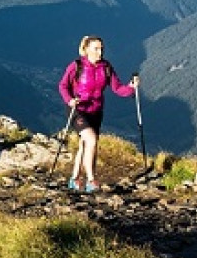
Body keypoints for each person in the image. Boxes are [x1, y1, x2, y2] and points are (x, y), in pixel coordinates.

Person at [57, 36, 139, 193]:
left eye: (101, 48)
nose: (100, 52)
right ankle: (91, 180)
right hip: (77, 109)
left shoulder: (106, 67)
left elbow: (117, 88)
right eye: (96, 48)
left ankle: (74, 179)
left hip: (96, 111)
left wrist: (131, 87)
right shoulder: (76, 66)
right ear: (86, 49)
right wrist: (69, 100)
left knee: (85, 144)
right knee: (91, 139)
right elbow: (63, 85)